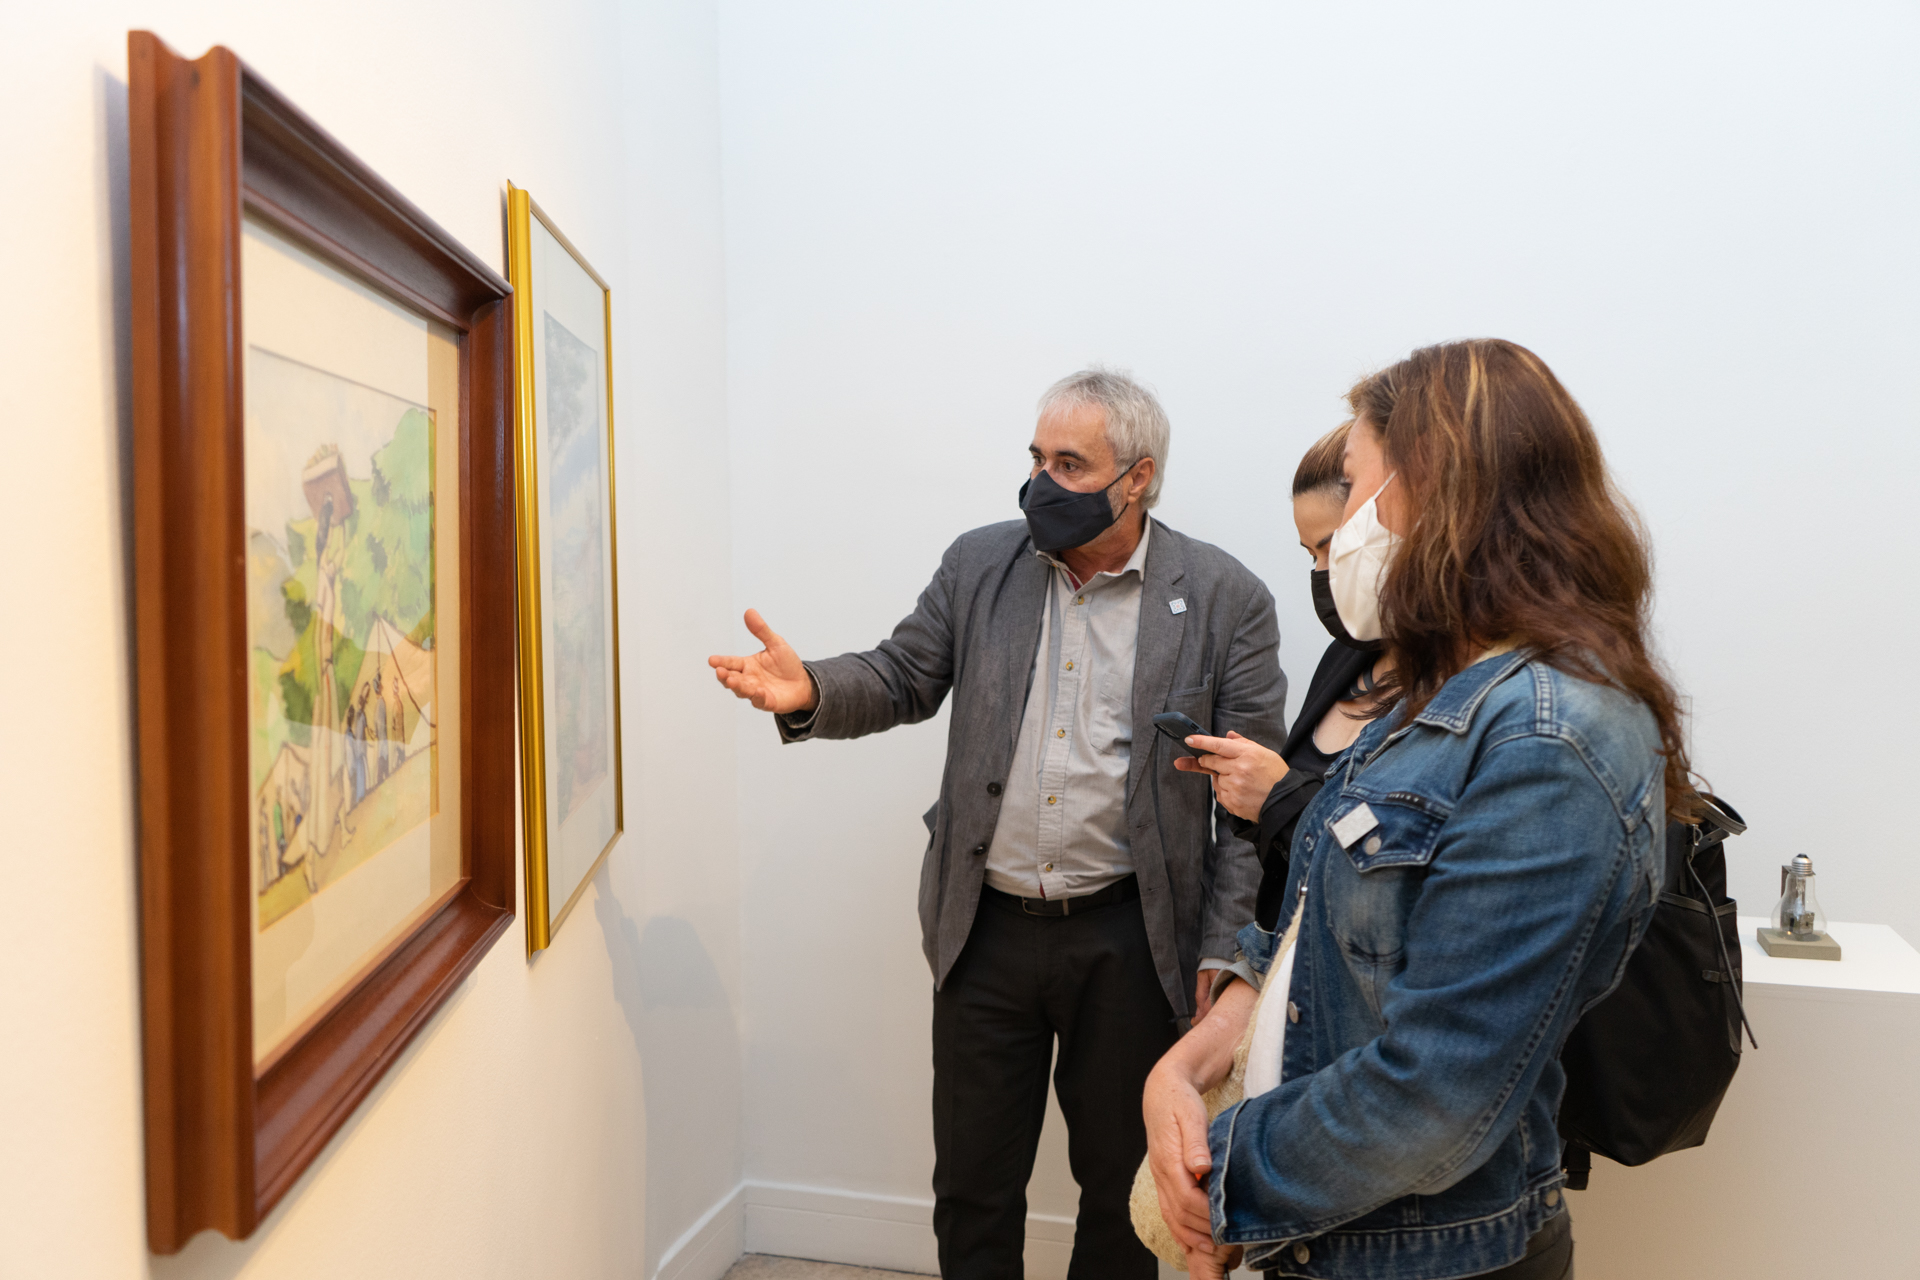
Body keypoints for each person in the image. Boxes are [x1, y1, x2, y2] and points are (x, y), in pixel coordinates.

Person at [709, 368, 1288, 1280]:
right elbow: (903, 674)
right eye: (1035, 458)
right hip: (985, 929)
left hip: (1132, 937)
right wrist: (813, 687)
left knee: (1120, 1188)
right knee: (974, 1186)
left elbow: (1254, 810)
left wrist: (1226, 956)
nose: (1039, 484)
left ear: (1135, 478)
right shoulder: (983, 563)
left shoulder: (1224, 598)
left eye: (1069, 463)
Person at [1144, 339, 1691, 1280]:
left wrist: (1218, 1181)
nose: (1341, 535)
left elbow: (1439, 1092)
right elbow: (1320, 921)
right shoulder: (1436, 696)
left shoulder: (1548, 738)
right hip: (1319, 1227)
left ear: (1434, 490)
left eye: (1353, 487)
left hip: (1414, 1253)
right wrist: (1187, 1065)